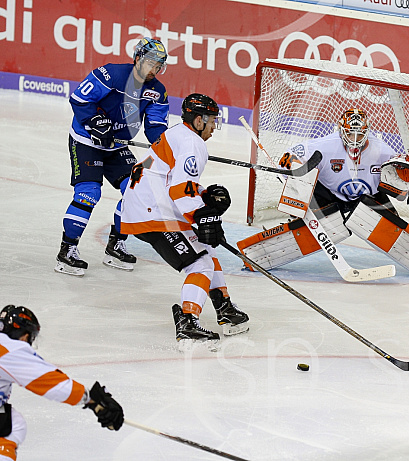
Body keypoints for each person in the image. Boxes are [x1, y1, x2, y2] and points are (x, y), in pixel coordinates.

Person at [237, 108, 409, 279]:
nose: (355, 138)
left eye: (360, 133)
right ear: (341, 130)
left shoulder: (382, 149)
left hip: (367, 198)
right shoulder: (327, 145)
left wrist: (406, 179)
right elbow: (292, 155)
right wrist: (291, 165)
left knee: (391, 227)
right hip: (328, 195)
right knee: (321, 227)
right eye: (351, 132)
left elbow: (405, 177)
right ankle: (263, 251)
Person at [120, 93, 249, 348]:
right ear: (199, 120)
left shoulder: (178, 133)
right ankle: (188, 323)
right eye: (211, 121)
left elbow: (172, 180)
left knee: (207, 251)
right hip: (154, 213)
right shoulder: (193, 143)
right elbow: (179, 190)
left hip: (150, 206)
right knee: (199, 263)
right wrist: (205, 217)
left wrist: (203, 195)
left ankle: (224, 309)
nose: (214, 127)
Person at [55, 37, 170, 277]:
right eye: (151, 63)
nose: (154, 70)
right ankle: (67, 251)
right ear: (138, 59)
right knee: (89, 193)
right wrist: (95, 121)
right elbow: (79, 98)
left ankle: (115, 244)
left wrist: (167, 144)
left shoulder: (157, 91)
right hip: (86, 142)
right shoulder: (111, 74)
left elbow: (156, 127)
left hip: (116, 147)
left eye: (159, 66)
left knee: (135, 191)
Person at [0, 304, 123, 459]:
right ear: (24, 335)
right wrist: (92, 400)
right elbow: (50, 382)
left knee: (9, 421)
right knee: (13, 427)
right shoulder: (9, 348)